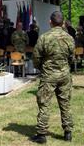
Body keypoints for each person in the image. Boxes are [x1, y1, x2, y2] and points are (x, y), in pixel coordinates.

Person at [31, 11, 75, 144]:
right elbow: (72, 58)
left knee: (44, 104)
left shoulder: (44, 37)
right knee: (65, 103)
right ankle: (68, 132)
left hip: (49, 75)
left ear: (50, 22)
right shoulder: (69, 38)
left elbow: (36, 57)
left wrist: (42, 68)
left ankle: (42, 134)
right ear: (62, 22)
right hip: (64, 75)